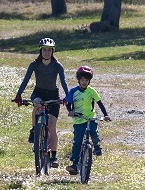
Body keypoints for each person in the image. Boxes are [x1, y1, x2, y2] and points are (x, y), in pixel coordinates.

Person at [13, 37, 69, 168]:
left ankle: (54, 156)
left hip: (53, 94)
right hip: (39, 92)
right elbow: (26, 80)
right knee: (37, 104)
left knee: (52, 126)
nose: (47, 53)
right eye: (44, 50)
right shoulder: (34, 65)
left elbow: (63, 82)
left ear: (52, 51)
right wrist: (18, 95)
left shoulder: (57, 65)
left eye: (49, 50)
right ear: (40, 51)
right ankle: (34, 130)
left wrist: (68, 96)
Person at [64, 65, 111, 175]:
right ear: (79, 80)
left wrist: (106, 115)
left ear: (89, 81)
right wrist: (70, 111)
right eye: (82, 80)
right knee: (77, 142)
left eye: (86, 80)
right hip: (78, 120)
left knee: (93, 133)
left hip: (90, 118)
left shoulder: (92, 91)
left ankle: (97, 147)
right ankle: (74, 164)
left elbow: (100, 103)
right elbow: (68, 103)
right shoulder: (74, 91)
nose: (84, 82)